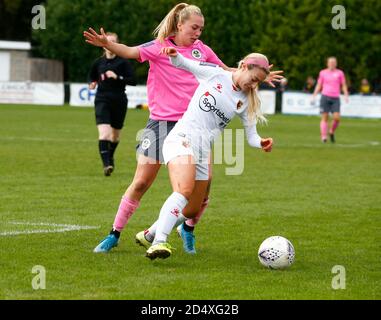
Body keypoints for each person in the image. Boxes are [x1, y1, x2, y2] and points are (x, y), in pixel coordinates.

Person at [84, 3, 283, 254]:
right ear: (180, 25)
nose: (198, 32)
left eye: (201, 28)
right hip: (161, 124)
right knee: (141, 183)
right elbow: (130, 51)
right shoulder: (159, 47)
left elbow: (226, 72)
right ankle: (114, 233)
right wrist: (107, 44)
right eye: (194, 27)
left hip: (197, 128)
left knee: (201, 192)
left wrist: (260, 75)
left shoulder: (203, 51)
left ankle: (185, 229)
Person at [145, 47, 274, 260]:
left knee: (193, 208)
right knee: (183, 190)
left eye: (258, 82)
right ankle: (159, 242)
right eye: (253, 79)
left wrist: (262, 142)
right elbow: (184, 64)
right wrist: (174, 55)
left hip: (203, 150)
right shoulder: (215, 73)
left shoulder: (246, 100)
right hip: (182, 138)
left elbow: (251, 136)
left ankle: (150, 233)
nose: (253, 85)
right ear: (243, 66)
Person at [88, 32, 136, 176]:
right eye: (107, 42)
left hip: (119, 100)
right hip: (102, 99)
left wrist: (118, 77)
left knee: (115, 136)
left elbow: (133, 80)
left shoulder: (123, 62)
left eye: (113, 42)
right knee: (105, 133)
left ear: (117, 44)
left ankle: (110, 156)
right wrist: (92, 83)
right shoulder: (98, 63)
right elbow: (92, 76)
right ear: (103, 45)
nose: (109, 45)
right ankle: (107, 164)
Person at [312, 57, 348, 143]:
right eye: (330, 62)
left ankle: (331, 131)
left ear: (336, 63)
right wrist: (314, 94)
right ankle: (324, 137)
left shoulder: (340, 73)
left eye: (334, 62)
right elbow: (319, 84)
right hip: (325, 96)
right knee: (325, 117)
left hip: (335, 98)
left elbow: (343, 84)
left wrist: (346, 94)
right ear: (327, 63)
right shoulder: (323, 73)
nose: (332, 64)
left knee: (337, 118)